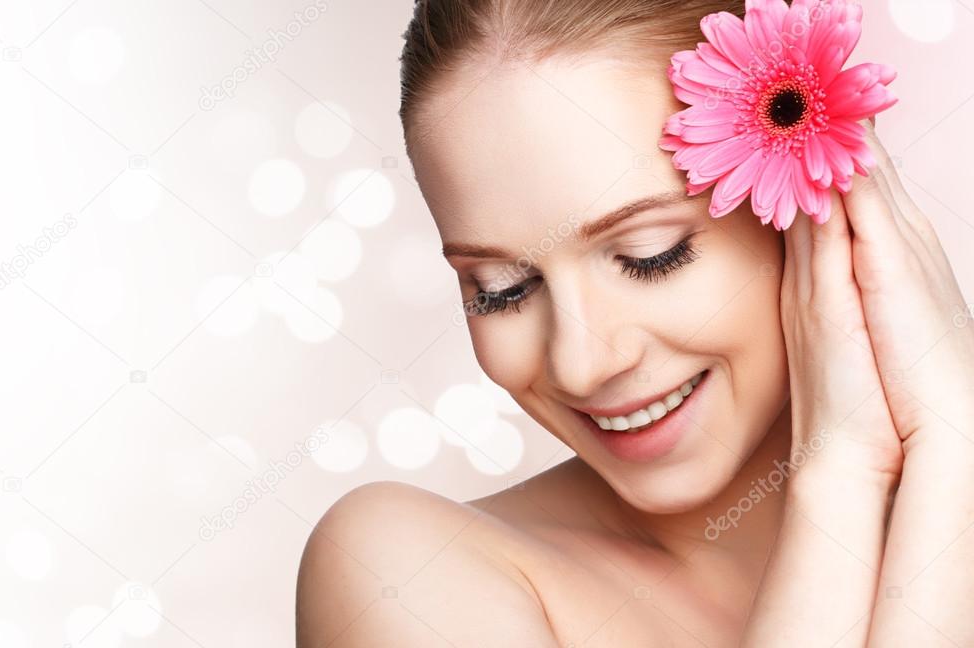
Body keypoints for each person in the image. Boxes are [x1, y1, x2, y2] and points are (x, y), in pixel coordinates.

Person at [297, 1, 974, 645]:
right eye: (500, 291)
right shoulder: (405, 574)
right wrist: (842, 475)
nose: (581, 363)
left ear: (811, 202)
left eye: (649, 256)